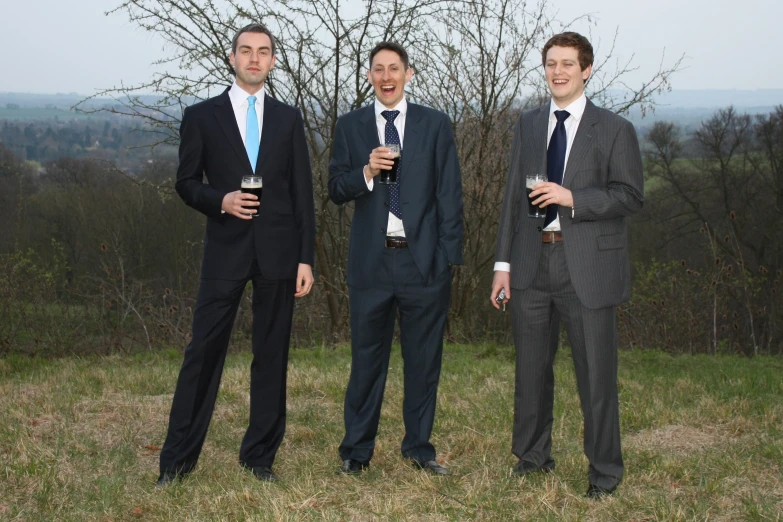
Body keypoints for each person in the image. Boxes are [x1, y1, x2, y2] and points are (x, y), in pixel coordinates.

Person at [156, 23, 315, 487]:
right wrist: (219, 200)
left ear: (271, 60)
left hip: (280, 253)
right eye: (246, 51)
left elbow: (302, 192)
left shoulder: (289, 118)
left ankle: (259, 458)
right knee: (202, 353)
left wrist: (306, 258)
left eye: (263, 52)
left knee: (271, 356)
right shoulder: (201, 116)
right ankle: (176, 462)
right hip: (224, 249)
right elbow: (185, 183)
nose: (254, 59)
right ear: (232, 58)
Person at [491, 32, 644, 498]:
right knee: (531, 372)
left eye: (568, 64)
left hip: (588, 270)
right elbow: (512, 201)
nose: (558, 71)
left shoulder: (615, 129)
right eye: (551, 63)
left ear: (586, 70)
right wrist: (502, 265)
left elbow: (630, 195)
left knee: (596, 377)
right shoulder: (529, 124)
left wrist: (572, 197)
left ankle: (604, 473)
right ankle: (533, 457)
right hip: (532, 263)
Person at [328, 42, 464, 476]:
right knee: (367, 361)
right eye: (377, 70)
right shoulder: (349, 127)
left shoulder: (436, 124)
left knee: (423, 362)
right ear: (369, 76)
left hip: (423, 264)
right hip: (371, 265)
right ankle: (356, 451)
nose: (386, 77)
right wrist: (365, 172)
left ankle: (420, 450)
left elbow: (450, 197)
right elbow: (334, 188)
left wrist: (446, 260)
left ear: (409, 73)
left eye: (394, 69)